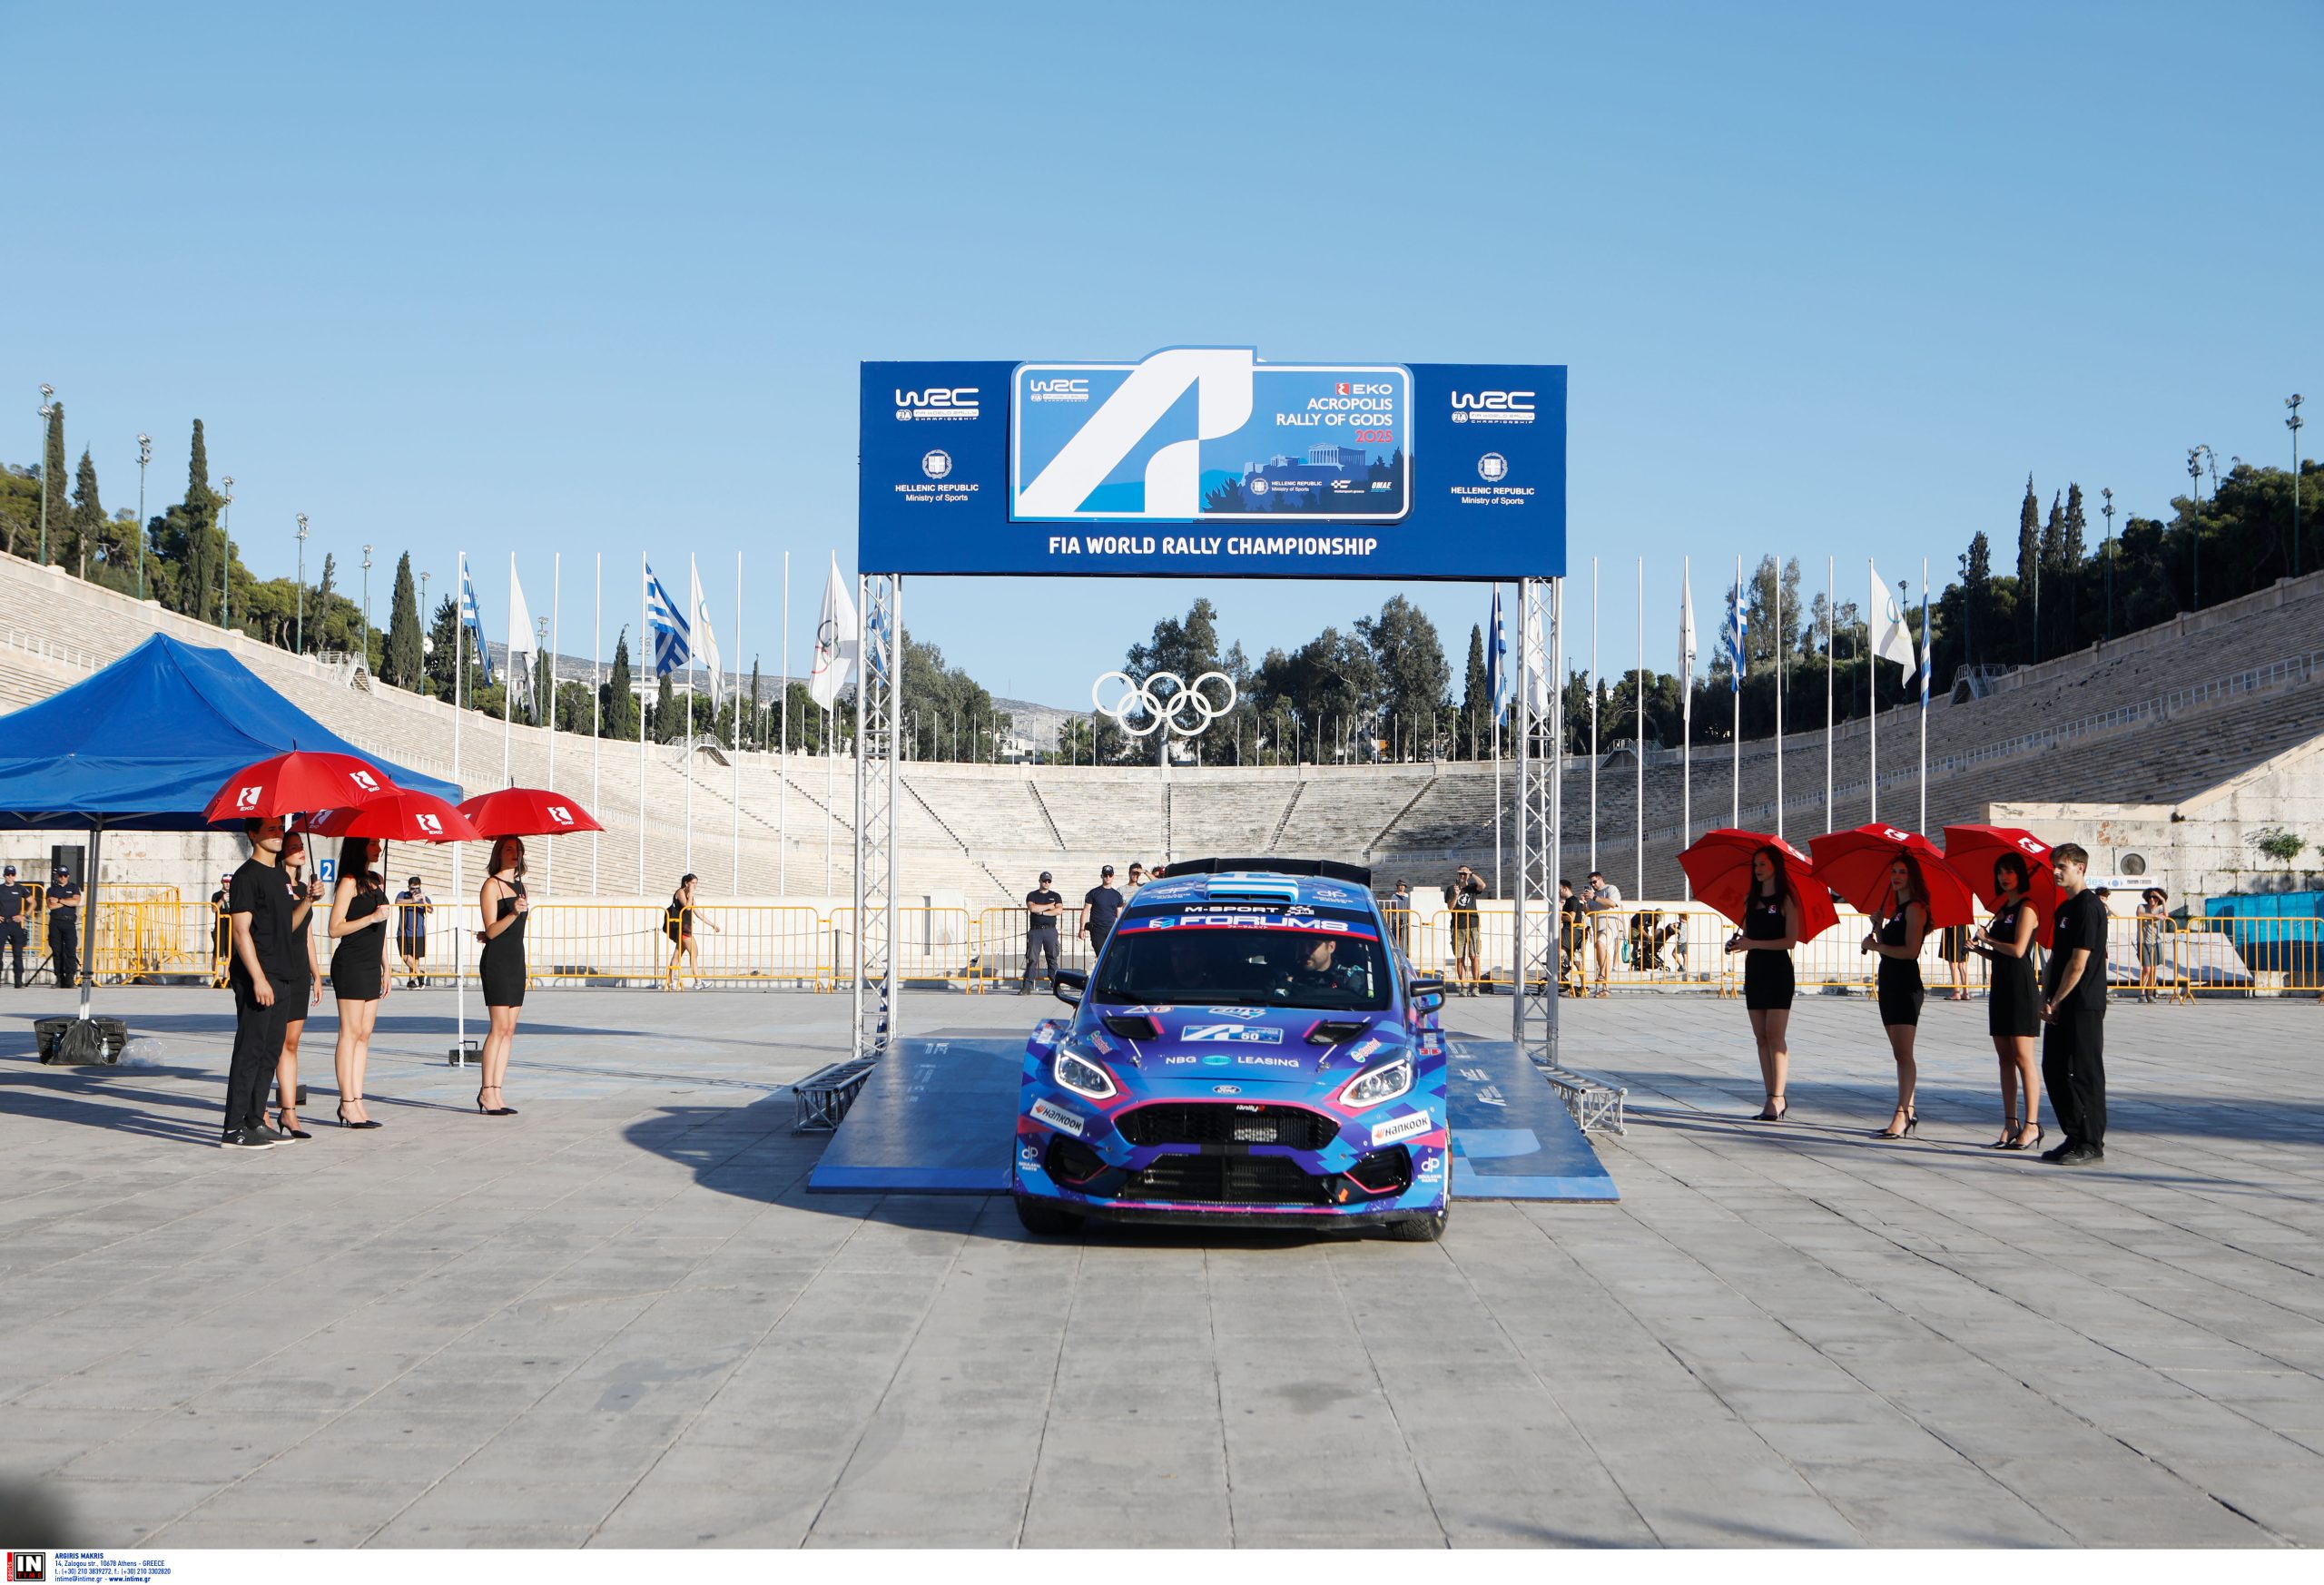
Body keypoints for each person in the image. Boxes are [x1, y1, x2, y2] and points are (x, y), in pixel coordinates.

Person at [222, 817, 305, 1150]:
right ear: (253, 834)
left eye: (280, 828)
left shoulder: (280, 876)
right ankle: (233, 1127)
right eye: (270, 829)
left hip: (283, 973)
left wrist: (308, 901)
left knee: (270, 1052)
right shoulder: (246, 876)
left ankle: (255, 1120)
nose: (278, 834)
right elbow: (241, 931)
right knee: (250, 1050)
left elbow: (287, 926)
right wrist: (258, 978)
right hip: (258, 975)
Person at [2040, 843, 2109, 1166]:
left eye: (2062, 867)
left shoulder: (2089, 907)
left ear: (2080, 868)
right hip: (2059, 1002)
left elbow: (2079, 963)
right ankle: (2074, 1133)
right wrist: (2045, 997)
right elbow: (2057, 958)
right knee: (2053, 1068)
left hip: (2083, 1002)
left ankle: (2092, 1142)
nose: (2056, 872)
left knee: (2085, 1072)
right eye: (2054, 866)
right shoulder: (2064, 909)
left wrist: (2057, 999)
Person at [1970, 853, 2043, 1151]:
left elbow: (2018, 950)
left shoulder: (2028, 907)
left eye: (2010, 872)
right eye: (2000, 872)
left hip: (2020, 986)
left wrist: (1988, 939)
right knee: (2004, 1058)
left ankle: (2032, 1124)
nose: (2004, 877)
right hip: (2000, 984)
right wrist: (1979, 949)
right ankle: (2010, 1123)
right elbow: (2000, 954)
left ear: (2020, 875)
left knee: (2023, 1057)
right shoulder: (2002, 909)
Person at [1724, 844, 1803, 1121]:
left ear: (1775, 867)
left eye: (1763, 864)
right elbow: (1749, 936)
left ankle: (1778, 1097)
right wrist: (1737, 943)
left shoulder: (1786, 900)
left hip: (1778, 970)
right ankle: (1770, 1094)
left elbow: (1790, 941)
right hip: (1755, 970)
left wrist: (1753, 943)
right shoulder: (1750, 899)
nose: (1758, 869)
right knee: (1761, 1037)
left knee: (1775, 1035)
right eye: (1755, 865)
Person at [1861, 853, 1929, 1139]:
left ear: (1912, 877)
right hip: (1889, 983)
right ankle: (1908, 1110)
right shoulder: (1898, 910)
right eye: (1894, 872)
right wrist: (1879, 928)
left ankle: (1902, 1114)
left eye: (1902, 872)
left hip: (1905, 984)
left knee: (1904, 1054)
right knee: (1898, 1053)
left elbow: (1910, 952)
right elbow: (1889, 947)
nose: (1896, 877)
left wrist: (1876, 947)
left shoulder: (1915, 909)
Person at [327, 838, 393, 1128]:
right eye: (373, 844)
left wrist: (386, 966)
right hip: (351, 964)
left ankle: (358, 1099)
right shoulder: (349, 882)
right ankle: (346, 1102)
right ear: (359, 847)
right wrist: (371, 917)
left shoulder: (376, 880)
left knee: (364, 1035)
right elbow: (334, 928)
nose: (378, 849)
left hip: (371, 965)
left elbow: (381, 930)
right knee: (350, 1033)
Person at [271, 830, 324, 1141]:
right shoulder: (274, 883)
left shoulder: (305, 888)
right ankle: (260, 1108)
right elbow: (284, 925)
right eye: (293, 847)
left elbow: (307, 935)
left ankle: (289, 1111)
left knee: (291, 1044)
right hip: (277, 968)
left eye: (301, 846)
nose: (300, 851)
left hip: (299, 970)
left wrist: (316, 974)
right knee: (272, 1043)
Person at [477, 835, 529, 1116]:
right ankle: (486, 1091)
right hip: (497, 962)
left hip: (516, 960)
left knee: (509, 1029)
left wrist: (515, 912)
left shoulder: (521, 887)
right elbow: (492, 930)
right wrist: (512, 913)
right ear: (498, 853)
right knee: (498, 1028)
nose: (514, 853)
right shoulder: (491, 885)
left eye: (518, 849)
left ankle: (498, 1091)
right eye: (508, 849)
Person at [665, 873, 722, 989]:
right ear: (686, 883)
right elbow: (688, 907)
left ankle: (670, 982)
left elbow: (698, 913)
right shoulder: (680, 892)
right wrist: (690, 893)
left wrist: (712, 925)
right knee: (694, 953)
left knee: (677, 955)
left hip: (686, 929)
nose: (695, 885)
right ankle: (698, 981)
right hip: (682, 929)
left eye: (696, 883)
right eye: (692, 883)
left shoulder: (690, 896)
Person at [1019, 870, 1063, 994]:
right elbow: (1033, 908)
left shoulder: (1056, 895)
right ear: (1040, 881)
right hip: (1036, 931)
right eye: (1044, 880)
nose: (1046, 883)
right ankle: (1027, 986)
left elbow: (1059, 910)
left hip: (1050, 930)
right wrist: (1049, 906)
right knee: (1032, 959)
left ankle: (1056, 986)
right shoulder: (1032, 895)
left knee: (1052, 958)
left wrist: (1043, 912)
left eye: (1049, 881)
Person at [1446, 864, 1486, 993]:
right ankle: (1463, 986)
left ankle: (1476, 986)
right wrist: (1456, 895)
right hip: (1458, 926)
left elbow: (1483, 885)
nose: (1462, 876)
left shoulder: (1472, 888)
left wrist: (1471, 873)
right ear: (1457, 875)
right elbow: (1450, 907)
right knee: (1459, 958)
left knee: (1474, 956)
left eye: (1465, 874)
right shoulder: (1451, 889)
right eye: (1460, 873)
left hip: (1473, 925)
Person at [1584, 871, 1623, 995]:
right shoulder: (1593, 895)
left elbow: (1612, 904)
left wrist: (1595, 897)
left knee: (1600, 944)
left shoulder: (1611, 888)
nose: (1593, 884)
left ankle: (1602, 974)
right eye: (1591, 883)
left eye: (1594, 882)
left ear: (1601, 879)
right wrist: (1585, 902)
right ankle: (1605, 988)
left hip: (1609, 925)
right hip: (1597, 926)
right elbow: (1588, 912)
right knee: (1602, 952)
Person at [45, 862, 82, 988]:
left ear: (68, 876)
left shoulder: (74, 887)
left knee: (71, 950)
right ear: (57, 876)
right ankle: (59, 978)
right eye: (60, 875)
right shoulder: (51, 889)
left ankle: (70, 978)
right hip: (55, 922)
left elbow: (75, 902)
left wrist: (59, 900)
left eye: (65, 875)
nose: (63, 878)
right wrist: (67, 902)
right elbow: (51, 906)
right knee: (57, 951)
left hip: (69, 922)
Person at [395, 876, 433, 989]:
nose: (414, 891)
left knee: (415, 958)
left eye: (417, 888)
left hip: (419, 933)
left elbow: (431, 910)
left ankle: (412, 981)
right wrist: (412, 900)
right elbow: (397, 902)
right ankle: (420, 974)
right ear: (408, 887)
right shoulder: (403, 894)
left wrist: (424, 901)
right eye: (412, 888)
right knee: (405, 956)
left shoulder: (424, 898)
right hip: (404, 932)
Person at [1082, 865, 1125, 961]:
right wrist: (1082, 929)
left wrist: (1121, 929)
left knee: (1113, 956)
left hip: (1111, 930)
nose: (1108, 877)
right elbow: (1086, 911)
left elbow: (1119, 915)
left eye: (1110, 875)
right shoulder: (1093, 893)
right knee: (1102, 955)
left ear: (1113, 876)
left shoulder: (1117, 895)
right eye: (1105, 875)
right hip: (1097, 930)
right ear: (1102, 876)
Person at [2135, 888, 2168, 1003]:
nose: (2152, 899)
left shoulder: (2160, 908)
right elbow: (2140, 914)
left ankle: (2150, 993)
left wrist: (2163, 900)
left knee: (2153, 969)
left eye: (2154, 897)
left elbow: (2166, 915)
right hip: (2143, 941)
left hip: (2156, 942)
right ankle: (2142, 993)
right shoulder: (2142, 906)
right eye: (2150, 897)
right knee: (2147, 969)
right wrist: (2155, 917)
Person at [1558, 879, 1587, 995]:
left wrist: (1560, 915)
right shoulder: (1569, 901)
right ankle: (1582, 985)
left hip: (1572, 933)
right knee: (1576, 961)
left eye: (1560, 890)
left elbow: (1571, 917)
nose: (1559, 892)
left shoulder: (1572, 900)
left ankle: (1580, 985)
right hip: (1571, 932)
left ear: (1565, 888)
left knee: (1562, 954)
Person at [0, 863, 26, 989]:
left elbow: (32, 902)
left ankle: (18, 981)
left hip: (15, 924)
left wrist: (24, 916)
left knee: (18, 953)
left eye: (12, 874)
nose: (10, 877)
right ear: (4, 875)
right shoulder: (0, 888)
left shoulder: (20, 888)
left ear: (15, 875)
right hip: (2, 924)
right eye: (8, 874)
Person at [210, 870, 234, 988]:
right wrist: (222, 899)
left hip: (231, 925)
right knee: (217, 952)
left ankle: (226, 977)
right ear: (222, 882)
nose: (227, 884)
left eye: (229, 882)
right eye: (225, 882)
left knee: (228, 953)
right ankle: (215, 977)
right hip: (220, 925)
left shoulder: (236, 894)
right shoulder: (217, 895)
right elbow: (214, 909)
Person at [1939, 920, 1972, 1001]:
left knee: (1953, 965)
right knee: (1962, 966)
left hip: (1954, 934)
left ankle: (1956, 992)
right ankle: (1966, 993)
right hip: (1963, 931)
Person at [1388, 880, 1413, 962]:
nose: (1402, 887)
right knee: (1396, 936)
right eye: (1400, 885)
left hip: (1406, 919)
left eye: (1403, 886)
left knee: (1407, 936)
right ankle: (1396, 952)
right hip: (1397, 919)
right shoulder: (1394, 896)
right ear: (1397, 887)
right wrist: (1397, 916)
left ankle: (1407, 952)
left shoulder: (1407, 896)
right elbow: (1393, 907)